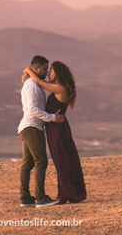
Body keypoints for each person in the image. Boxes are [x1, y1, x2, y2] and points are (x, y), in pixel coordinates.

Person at [22, 60, 87, 204]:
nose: (49, 73)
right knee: (61, 160)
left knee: (62, 160)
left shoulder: (59, 88)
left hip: (58, 128)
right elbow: (39, 80)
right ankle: (67, 192)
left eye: (50, 71)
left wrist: (28, 70)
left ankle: (66, 194)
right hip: (53, 128)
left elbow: (39, 80)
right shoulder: (57, 87)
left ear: (57, 73)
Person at [18, 55, 65, 208]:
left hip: (28, 127)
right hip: (32, 127)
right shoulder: (32, 85)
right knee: (40, 161)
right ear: (36, 68)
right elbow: (32, 110)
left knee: (28, 163)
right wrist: (53, 118)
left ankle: (25, 198)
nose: (46, 72)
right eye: (44, 69)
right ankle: (40, 197)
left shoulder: (33, 83)